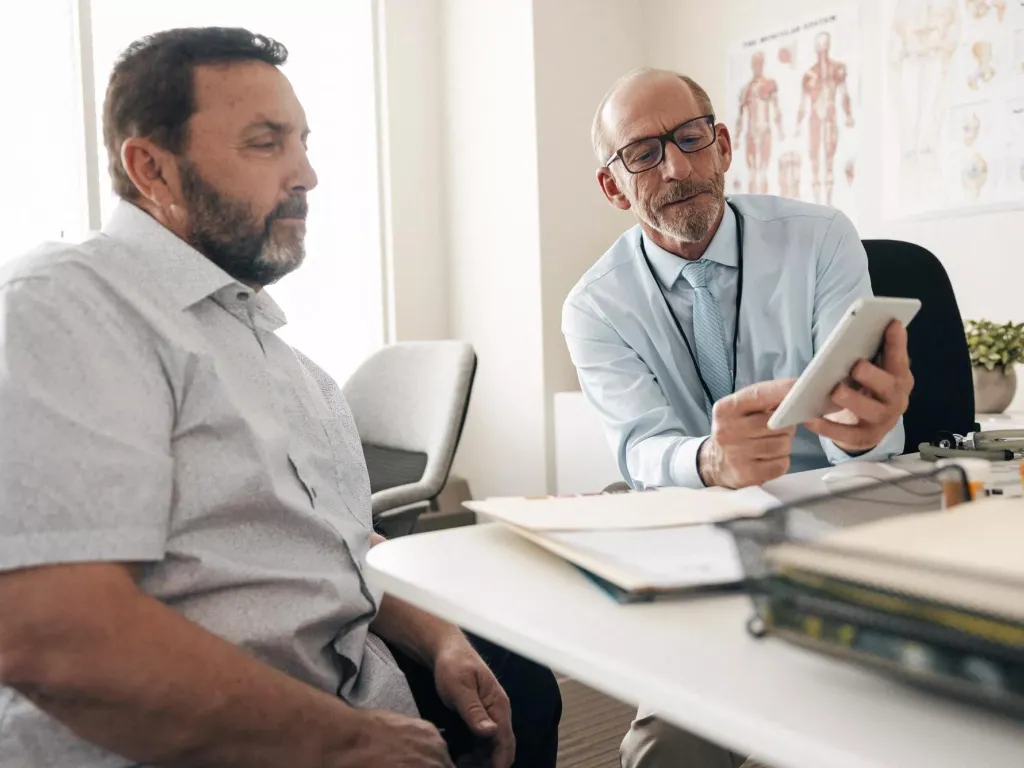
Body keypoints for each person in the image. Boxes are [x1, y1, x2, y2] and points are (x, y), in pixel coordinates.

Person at [0, 27, 560, 768]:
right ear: (152, 169)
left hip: (351, 683)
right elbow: (56, 632)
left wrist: (442, 637)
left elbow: (341, 545)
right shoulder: (71, 304)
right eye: (266, 144)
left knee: (522, 686)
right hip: (218, 740)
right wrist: (345, 736)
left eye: (302, 141)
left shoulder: (271, 350)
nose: (306, 174)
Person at [563, 68, 913, 767]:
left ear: (723, 145)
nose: (679, 167)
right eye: (644, 154)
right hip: (702, 544)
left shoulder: (820, 239)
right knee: (665, 751)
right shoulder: (594, 306)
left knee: (899, 727)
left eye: (692, 139)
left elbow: (865, 430)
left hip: (838, 533)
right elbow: (640, 450)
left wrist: (869, 432)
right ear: (613, 185)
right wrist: (710, 463)